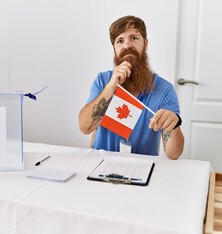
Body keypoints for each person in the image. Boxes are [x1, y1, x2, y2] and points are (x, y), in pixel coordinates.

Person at [79, 15, 184, 160]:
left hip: (142, 168)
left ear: (145, 43)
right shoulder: (102, 80)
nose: (127, 45)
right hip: (100, 164)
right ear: (114, 49)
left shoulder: (165, 89)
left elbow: (174, 154)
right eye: (120, 41)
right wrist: (111, 87)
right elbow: (85, 128)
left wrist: (175, 125)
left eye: (133, 38)